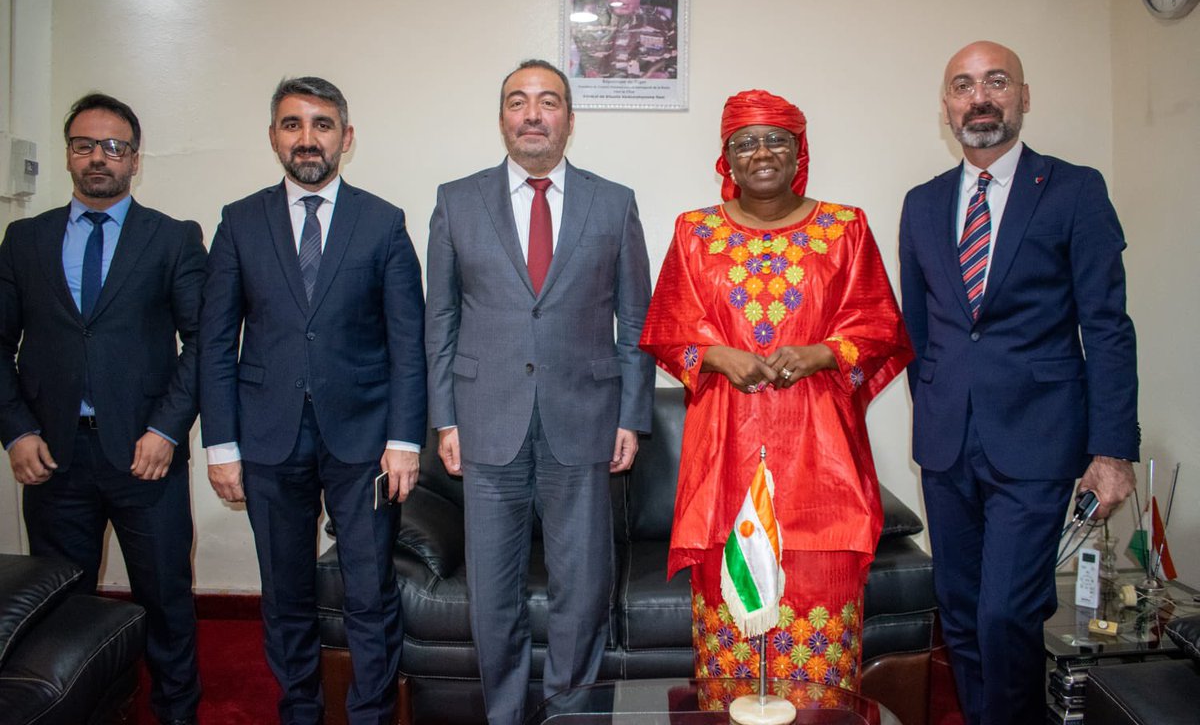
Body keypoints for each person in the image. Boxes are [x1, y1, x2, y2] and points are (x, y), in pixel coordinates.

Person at [639, 89, 912, 700]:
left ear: (799, 152)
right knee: (730, 628)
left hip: (821, 461)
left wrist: (822, 353)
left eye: (776, 141)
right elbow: (664, 328)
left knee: (822, 608)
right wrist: (715, 354)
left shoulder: (845, 228)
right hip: (725, 457)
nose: (761, 153)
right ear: (727, 158)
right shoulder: (695, 232)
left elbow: (879, 327)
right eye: (745, 142)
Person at [898, 41, 1138, 725]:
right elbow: (921, 334)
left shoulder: (1074, 189)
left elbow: (1108, 327)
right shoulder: (921, 205)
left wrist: (1111, 450)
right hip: (946, 446)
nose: (980, 96)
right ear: (946, 107)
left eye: (996, 82)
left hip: (1037, 440)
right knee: (965, 615)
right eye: (964, 85)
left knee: (1008, 613)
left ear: (1023, 97)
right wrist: (939, 412)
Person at [424, 58, 655, 725]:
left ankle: (570, 714)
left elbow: (635, 319)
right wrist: (445, 419)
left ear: (569, 120)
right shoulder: (456, 200)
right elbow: (440, 317)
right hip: (485, 420)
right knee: (491, 594)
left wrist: (633, 416)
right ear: (501, 118)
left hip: (584, 419)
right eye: (518, 101)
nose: (533, 113)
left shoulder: (614, 202)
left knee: (581, 590)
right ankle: (503, 714)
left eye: (548, 101)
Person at [200, 77, 426, 725]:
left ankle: (370, 715)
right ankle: (300, 710)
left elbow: (407, 342)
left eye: (322, 124)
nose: (308, 138)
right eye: (293, 124)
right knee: (286, 593)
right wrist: (221, 446)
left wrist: (404, 442)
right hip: (268, 439)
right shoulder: (239, 222)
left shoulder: (383, 223)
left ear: (346, 138)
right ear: (274, 136)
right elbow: (216, 342)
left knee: (369, 592)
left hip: (364, 443)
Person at [0, 93, 204, 725]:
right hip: (53, 455)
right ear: (68, 154)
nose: (99, 157)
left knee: (166, 596)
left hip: (146, 454)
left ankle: (176, 711)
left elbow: (202, 343)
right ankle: (83, 707)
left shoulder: (172, 239)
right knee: (62, 603)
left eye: (113, 146)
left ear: (135, 161)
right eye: (85, 144)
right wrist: (16, 431)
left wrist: (166, 429)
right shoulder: (25, 239)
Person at [572, 0, 677, 79]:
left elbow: (681, 59)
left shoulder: (662, 23)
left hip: (647, 91)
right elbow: (574, 58)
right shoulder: (588, 22)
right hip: (601, 92)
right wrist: (587, 70)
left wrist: (666, 74)